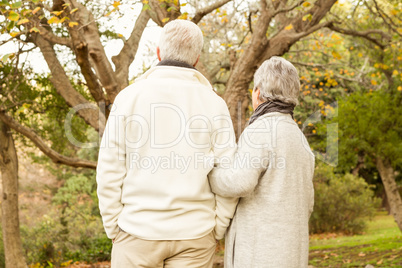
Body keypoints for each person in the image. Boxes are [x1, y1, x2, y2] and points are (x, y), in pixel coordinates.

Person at [96, 20, 238, 267]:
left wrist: (114, 228)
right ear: (196, 58)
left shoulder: (129, 98)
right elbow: (229, 173)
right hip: (195, 233)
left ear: (158, 52)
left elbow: (109, 170)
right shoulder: (215, 103)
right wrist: (218, 227)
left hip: (136, 231)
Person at [209, 57, 315, 268]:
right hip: (293, 252)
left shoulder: (261, 129)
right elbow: (309, 202)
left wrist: (209, 172)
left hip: (261, 252)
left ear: (257, 93)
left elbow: (240, 182)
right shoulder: (299, 138)